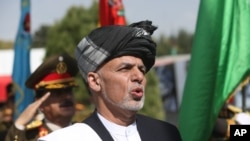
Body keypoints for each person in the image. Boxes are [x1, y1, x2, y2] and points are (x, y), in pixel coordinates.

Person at [39, 20, 182, 141]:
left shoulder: (166, 134)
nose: (138, 77)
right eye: (125, 68)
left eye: (142, 69)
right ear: (95, 81)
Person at [5, 53, 78, 141]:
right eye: (57, 93)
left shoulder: (86, 131)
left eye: (69, 91)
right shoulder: (30, 137)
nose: (66, 97)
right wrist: (19, 124)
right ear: (40, 103)